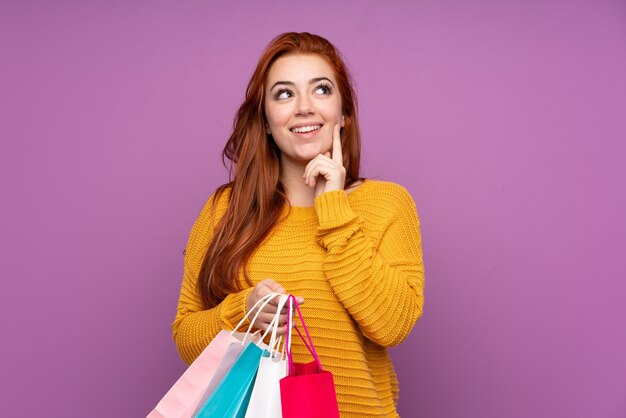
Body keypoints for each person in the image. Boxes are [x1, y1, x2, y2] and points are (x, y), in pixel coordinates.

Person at [172, 31, 425, 417]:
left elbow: (392, 325)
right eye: (285, 94)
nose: (304, 107)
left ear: (343, 114)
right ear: (267, 122)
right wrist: (246, 310)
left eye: (321, 90)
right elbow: (187, 338)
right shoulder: (224, 209)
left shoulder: (387, 203)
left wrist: (334, 209)